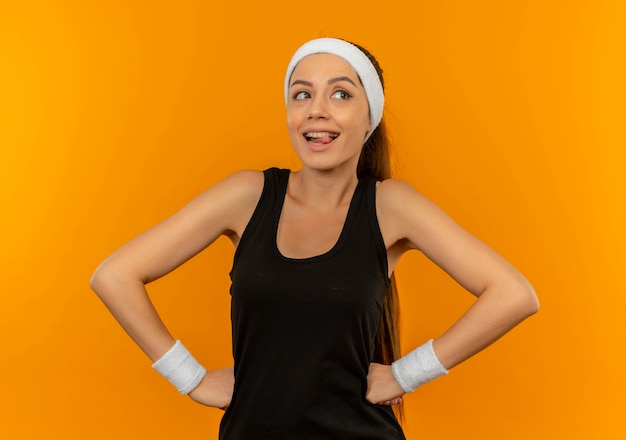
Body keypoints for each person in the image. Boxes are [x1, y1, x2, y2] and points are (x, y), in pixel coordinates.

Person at [90, 38, 539, 439]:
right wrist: (191, 378)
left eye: (341, 94)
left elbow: (513, 294)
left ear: (370, 118)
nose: (316, 109)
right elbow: (114, 275)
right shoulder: (247, 195)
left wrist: (406, 375)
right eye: (301, 94)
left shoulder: (391, 206)